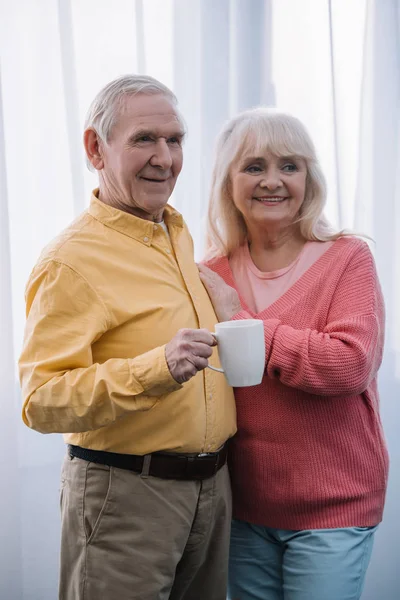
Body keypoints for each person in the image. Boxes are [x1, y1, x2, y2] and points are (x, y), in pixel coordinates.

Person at [18, 74, 236, 600]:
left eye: (175, 140)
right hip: (127, 497)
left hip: (215, 492)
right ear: (96, 148)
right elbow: (41, 401)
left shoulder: (179, 234)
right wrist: (155, 367)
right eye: (145, 139)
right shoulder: (69, 261)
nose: (165, 158)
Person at [198, 107, 389, 600]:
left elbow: (348, 364)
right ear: (229, 181)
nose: (273, 181)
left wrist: (243, 324)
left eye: (290, 165)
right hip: (243, 507)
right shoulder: (210, 272)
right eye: (254, 166)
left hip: (332, 509)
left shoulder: (348, 257)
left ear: (309, 177)